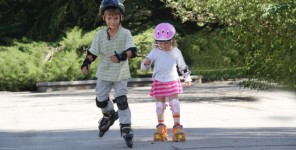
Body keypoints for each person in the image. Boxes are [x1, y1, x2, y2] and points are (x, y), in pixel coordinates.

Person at [81, 0, 137, 148]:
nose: (112, 21)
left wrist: (121, 56)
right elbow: (93, 52)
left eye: (115, 18)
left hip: (120, 73)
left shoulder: (126, 33)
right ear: (104, 18)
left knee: (122, 100)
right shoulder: (99, 35)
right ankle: (110, 114)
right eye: (109, 18)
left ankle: (126, 126)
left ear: (120, 18)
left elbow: (133, 50)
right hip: (104, 72)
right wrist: (86, 63)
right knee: (100, 101)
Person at [141, 23, 192, 142]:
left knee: (175, 103)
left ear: (172, 40)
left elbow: (182, 66)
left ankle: (177, 126)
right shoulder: (154, 51)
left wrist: (187, 78)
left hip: (173, 80)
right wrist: (146, 63)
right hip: (159, 81)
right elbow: (144, 67)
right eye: (160, 43)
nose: (162, 45)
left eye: (166, 43)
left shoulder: (176, 52)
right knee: (160, 106)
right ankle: (161, 127)